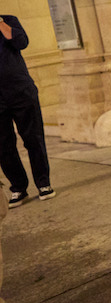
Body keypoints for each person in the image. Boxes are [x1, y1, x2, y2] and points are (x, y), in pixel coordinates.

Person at [1, 15, 54, 207]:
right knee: (3, 145)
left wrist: (0, 23)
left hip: (21, 91)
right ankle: (18, 188)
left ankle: (43, 183)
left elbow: (21, 43)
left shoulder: (9, 20)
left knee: (33, 138)